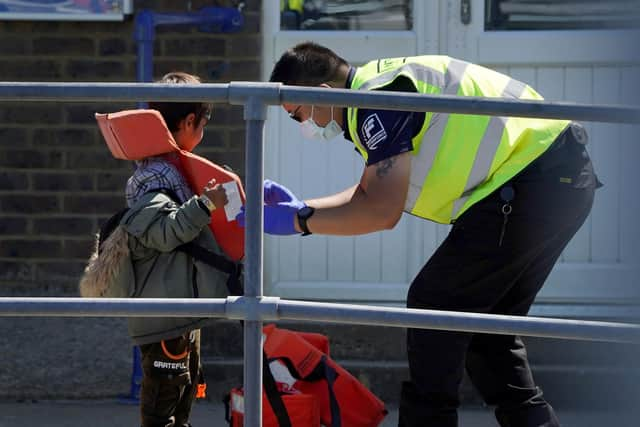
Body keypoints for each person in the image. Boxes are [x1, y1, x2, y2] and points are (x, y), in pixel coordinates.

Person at [243, 42, 600, 427]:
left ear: (322, 94)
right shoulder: (379, 90)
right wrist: (303, 209)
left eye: (298, 116)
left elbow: (381, 210)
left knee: (435, 304)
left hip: (530, 185)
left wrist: (300, 222)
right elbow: (371, 191)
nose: (304, 128)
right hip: (554, 180)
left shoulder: (377, 103)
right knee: (487, 335)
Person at [122, 72, 231, 427]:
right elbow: (164, 234)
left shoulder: (173, 172)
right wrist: (205, 205)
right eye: (203, 123)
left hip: (180, 311)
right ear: (188, 122)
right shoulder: (154, 177)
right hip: (163, 317)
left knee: (184, 401)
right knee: (162, 410)